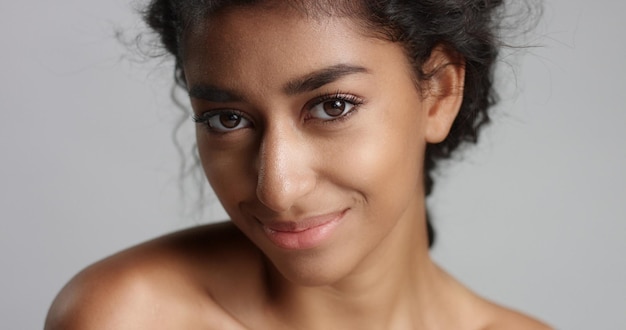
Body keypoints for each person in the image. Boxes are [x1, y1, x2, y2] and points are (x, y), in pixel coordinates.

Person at [45, 0, 551, 328]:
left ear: (439, 93)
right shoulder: (130, 316)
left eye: (333, 106)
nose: (277, 189)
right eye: (226, 118)